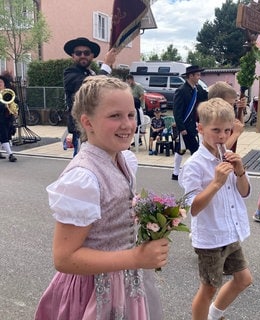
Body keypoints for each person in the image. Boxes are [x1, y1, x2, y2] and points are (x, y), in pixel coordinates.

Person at [34, 76, 169, 320]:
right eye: (114, 116)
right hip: (94, 291)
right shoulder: (83, 179)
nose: (127, 124)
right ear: (88, 122)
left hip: (126, 279)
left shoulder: (123, 158)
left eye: (130, 114)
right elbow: (64, 258)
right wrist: (134, 257)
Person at [179, 97, 252, 320]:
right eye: (216, 130)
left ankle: (213, 315)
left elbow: (245, 192)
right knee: (209, 288)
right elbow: (193, 207)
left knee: (243, 279)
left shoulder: (229, 158)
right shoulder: (194, 165)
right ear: (200, 129)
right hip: (211, 238)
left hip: (231, 232)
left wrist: (239, 170)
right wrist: (216, 183)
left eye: (228, 131)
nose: (222, 136)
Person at [63, 37, 117, 157]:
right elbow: (92, 87)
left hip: (97, 127)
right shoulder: (70, 73)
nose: (83, 55)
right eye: (78, 53)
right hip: (82, 130)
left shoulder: (92, 73)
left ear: (92, 56)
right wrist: (107, 65)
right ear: (73, 56)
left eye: (86, 53)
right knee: (83, 165)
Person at [172, 65, 208, 180]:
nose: (199, 77)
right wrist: (181, 128)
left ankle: (175, 173)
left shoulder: (197, 89)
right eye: (197, 75)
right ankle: (195, 174)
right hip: (185, 126)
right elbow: (177, 111)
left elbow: (205, 97)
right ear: (190, 76)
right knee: (195, 150)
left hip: (193, 125)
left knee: (181, 149)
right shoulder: (181, 90)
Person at [208, 81, 246, 151]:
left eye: (233, 104)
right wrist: (235, 134)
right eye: (229, 104)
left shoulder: (225, 116)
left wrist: (241, 109)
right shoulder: (212, 121)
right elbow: (218, 151)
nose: (231, 107)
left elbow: (239, 126)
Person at [0, 74, 18, 162]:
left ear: (4, 84)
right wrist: (3, 106)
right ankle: (11, 154)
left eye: (1, 82)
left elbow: (15, 101)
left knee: (6, 135)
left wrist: (15, 109)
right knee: (4, 136)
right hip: (0, 118)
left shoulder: (8, 92)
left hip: (8, 118)